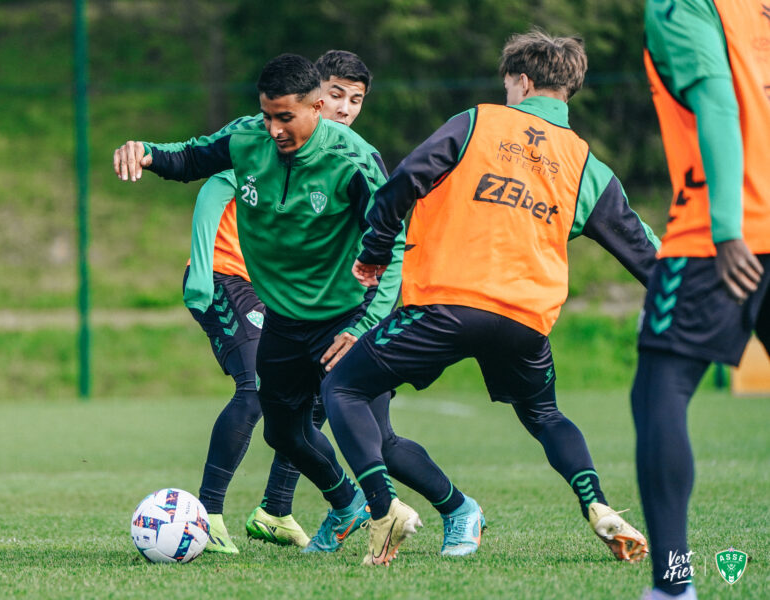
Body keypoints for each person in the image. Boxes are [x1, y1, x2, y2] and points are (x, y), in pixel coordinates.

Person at [321, 30, 658, 566]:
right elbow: (646, 253)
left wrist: (378, 247)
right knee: (545, 414)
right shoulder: (584, 163)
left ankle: (383, 511)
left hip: (449, 304)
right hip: (526, 320)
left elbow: (403, 182)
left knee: (343, 387)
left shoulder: (477, 121)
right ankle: (598, 506)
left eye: (508, 84)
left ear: (521, 81)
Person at [114, 53, 400, 556]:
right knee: (267, 403)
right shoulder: (252, 140)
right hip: (242, 286)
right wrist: (149, 153)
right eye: (268, 115)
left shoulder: (353, 160)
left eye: (354, 99)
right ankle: (218, 514)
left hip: (327, 309)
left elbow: (390, 240)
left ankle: (329, 508)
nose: (273, 129)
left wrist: (369, 316)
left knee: (342, 418)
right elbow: (198, 167)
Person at [179, 50, 377, 553]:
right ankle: (206, 516)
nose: (345, 107)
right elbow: (213, 187)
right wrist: (201, 273)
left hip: (282, 298)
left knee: (306, 400)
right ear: (312, 99)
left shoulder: (337, 157)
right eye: (335, 95)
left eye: (354, 100)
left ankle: (275, 508)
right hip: (224, 275)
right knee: (256, 389)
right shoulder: (265, 143)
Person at [635, 2, 770, 598]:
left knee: (662, 386)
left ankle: (673, 584)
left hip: (725, 233)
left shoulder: (684, 4)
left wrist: (725, 227)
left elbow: (719, 101)